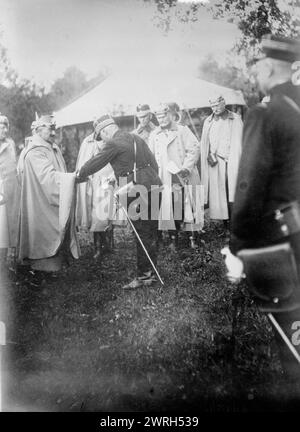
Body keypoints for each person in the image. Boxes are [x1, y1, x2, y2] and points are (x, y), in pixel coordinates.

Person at [226, 34, 300, 386]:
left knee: (292, 335)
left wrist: (238, 240)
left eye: (256, 66)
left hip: (281, 241)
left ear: (268, 66)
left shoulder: (264, 115)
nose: (254, 73)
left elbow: (249, 184)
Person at [76, 114, 162, 289]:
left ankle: (144, 276)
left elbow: (95, 162)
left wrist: (80, 174)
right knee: (151, 231)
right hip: (153, 183)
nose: (102, 140)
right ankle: (150, 272)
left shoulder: (113, 143)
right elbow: (155, 164)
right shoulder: (136, 137)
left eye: (102, 136)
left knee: (141, 232)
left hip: (134, 188)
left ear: (106, 131)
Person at [18, 114, 79, 275]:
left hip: (49, 201)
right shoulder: (34, 152)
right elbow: (48, 179)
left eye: (54, 129)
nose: (54, 133)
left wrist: (67, 178)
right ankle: (38, 274)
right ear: (38, 130)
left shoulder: (52, 147)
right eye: (50, 129)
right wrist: (72, 178)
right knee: (43, 236)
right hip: (39, 203)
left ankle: (50, 270)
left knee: (52, 235)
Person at [148, 103, 203, 248]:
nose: (162, 119)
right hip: (165, 177)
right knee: (170, 206)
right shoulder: (154, 135)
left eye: (164, 116)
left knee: (188, 204)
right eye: (159, 117)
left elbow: (194, 149)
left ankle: (193, 236)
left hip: (183, 174)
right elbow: (150, 157)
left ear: (171, 115)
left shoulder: (182, 130)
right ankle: (174, 237)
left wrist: (186, 167)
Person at [75, 119, 116, 259]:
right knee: (96, 215)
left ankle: (109, 243)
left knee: (108, 212)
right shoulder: (88, 142)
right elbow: (83, 162)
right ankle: (98, 247)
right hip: (93, 182)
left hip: (109, 181)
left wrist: (113, 175)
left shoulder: (111, 140)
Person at [200, 94, 243, 226]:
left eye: (217, 105)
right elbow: (205, 143)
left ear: (223, 103)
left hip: (232, 160)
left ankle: (237, 220)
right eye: (212, 106)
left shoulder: (235, 119)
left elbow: (239, 141)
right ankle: (225, 221)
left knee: (233, 191)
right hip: (215, 162)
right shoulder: (208, 121)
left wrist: (235, 158)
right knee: (219, 192)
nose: (215, 109)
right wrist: (208, 155)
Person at [0, 113, 19, 270]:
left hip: (10, 190)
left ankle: (8, 260)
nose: (3, 128)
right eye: (0, 124)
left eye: (5, 125)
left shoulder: (10, 143)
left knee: (8, 225)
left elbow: (14, 166)